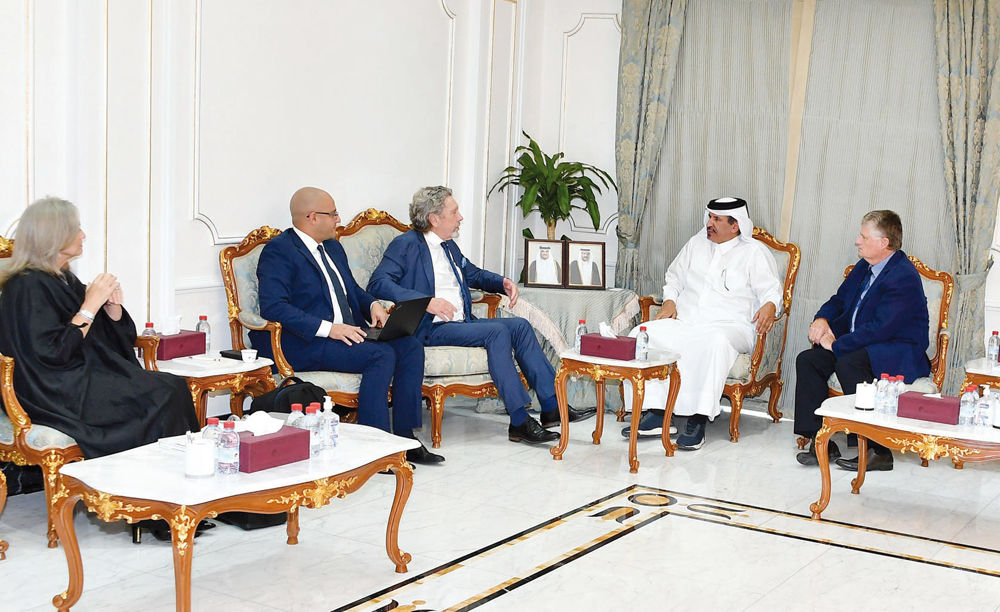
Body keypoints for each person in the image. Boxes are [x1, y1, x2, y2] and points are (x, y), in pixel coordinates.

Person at [368, 186, 596, 444]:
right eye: (454, 212)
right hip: (431, 328)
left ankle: (553, 406)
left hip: (461, 323)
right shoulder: (406, 245)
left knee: (520, 326)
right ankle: (519, 420)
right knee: (496, 332)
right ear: (434, 219)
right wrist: (425, 302)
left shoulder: (448, 246)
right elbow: (378, 283)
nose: (460, 217)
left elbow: (473, 274)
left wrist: (502, 282)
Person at [252, 187, 443, 464]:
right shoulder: (279, 251)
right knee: (380, 354)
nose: (339, 219)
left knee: (410, 346)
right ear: (312, 217)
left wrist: (373, 305)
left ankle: (405, 438)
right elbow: (273, 307)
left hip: (346, 334)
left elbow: (350, 289)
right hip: (305, 341)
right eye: (333, 214)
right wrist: (329, 328)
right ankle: (374, 448)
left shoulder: (332, 247)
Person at [0, 197, 199, 459]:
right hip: (51, 388)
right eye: (76, 229)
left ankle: (168, 467)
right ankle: (147, 471)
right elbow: (53, 353)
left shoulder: (63, 278)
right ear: (55, 236)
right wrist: (91, 304)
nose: (83, 235)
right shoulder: (26, 286)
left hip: (77, 376)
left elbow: (107, 338)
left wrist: (110, 305)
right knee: (163, 394)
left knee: (174, 386)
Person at [622, 197, 782, 450]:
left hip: (730, 326)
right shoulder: (695, 244)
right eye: (710, 217)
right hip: (687, 320)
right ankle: (657, 412)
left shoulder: (754, 252)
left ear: (735, 226)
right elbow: (673, 277)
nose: (709, 223)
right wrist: (670, 300)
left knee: (713, 342)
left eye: (717, 219)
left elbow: (772, 290)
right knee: (642, 334)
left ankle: (698, 419)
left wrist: (770, 305)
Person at [794, 210, 929, 472]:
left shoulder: (903, 276)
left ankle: (878, 450)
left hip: (896, 349)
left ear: (884, 243)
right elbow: (838, 300)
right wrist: (822, 319)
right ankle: (820, 439)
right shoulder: (864, 266)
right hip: (861, 343)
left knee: (848, 364)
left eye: (864, 237)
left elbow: (881, 328)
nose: (858, 241)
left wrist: (836, 345)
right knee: (809, 360)